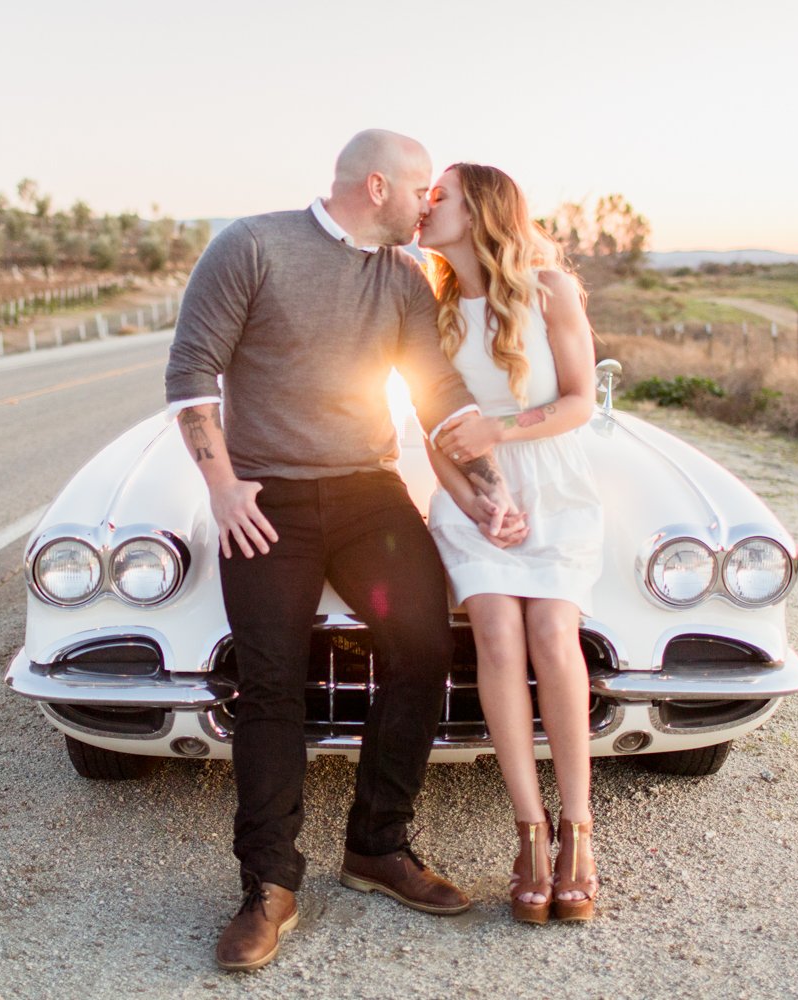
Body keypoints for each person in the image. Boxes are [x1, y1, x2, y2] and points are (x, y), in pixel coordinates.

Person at [164, 131, 525, 972]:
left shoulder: (399, 276)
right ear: (377, 186)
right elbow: (191, 374)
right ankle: (268, 886)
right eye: (420, 194)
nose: (428, 206)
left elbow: (438, 390)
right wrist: (222, 487)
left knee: (425, 645)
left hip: (366, 491)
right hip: (267, 496)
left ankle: (377, 846)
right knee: (271, 678)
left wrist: (489, 482)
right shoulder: (250, 246)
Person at [416, 163, 605, 924]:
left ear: (483, 208)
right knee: (496, 632)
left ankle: (579, 832)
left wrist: (500, 430)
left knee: (553, 635)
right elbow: (433, 433)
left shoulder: (549, 288)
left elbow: (580, 401)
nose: (425, 208)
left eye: (440, 198)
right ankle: (528, 832)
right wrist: (479, 502)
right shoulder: (427, 307)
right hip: (472, 496)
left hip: (555, 486)